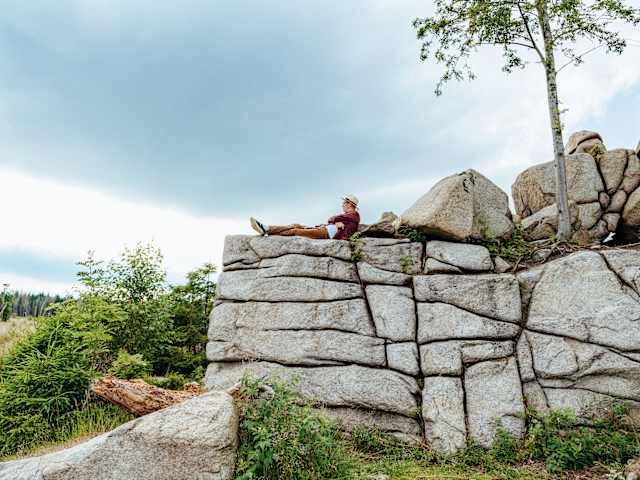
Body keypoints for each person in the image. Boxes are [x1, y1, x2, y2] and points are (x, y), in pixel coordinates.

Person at [250, 195, 360, 240]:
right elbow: (334, 220)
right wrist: (336, 222)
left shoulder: (353, 215)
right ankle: (267, 228)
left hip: (326, 233)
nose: (342, 205)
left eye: (344, 203)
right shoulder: (349, 216)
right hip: (323, 229)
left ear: (349, 204)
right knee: (296, 225)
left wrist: (336, 221)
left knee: (296, 231)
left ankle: (269, 232)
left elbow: (332, 218)